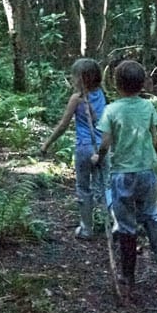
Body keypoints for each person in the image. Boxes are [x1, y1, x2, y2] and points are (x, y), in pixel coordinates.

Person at [91, 59, 157, 298]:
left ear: (116, 84)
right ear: (143, 83)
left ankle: (128, 276)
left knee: (125, 224)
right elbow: (154, 138)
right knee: (150, 215)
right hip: (147, 170)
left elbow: (105, 142)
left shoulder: (111, 110)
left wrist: (98, 157)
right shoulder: (148, 107)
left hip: (122, 174)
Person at [42, 57, 108, 240]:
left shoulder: (77, 99)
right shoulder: (102, 94)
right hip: (102, 146)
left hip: (85, 147)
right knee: (103, 186)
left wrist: (47, 144)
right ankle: (115, 223)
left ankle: (87, 228)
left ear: (81, 79)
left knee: (83, 187)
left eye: (74, 76)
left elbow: (63, 125)